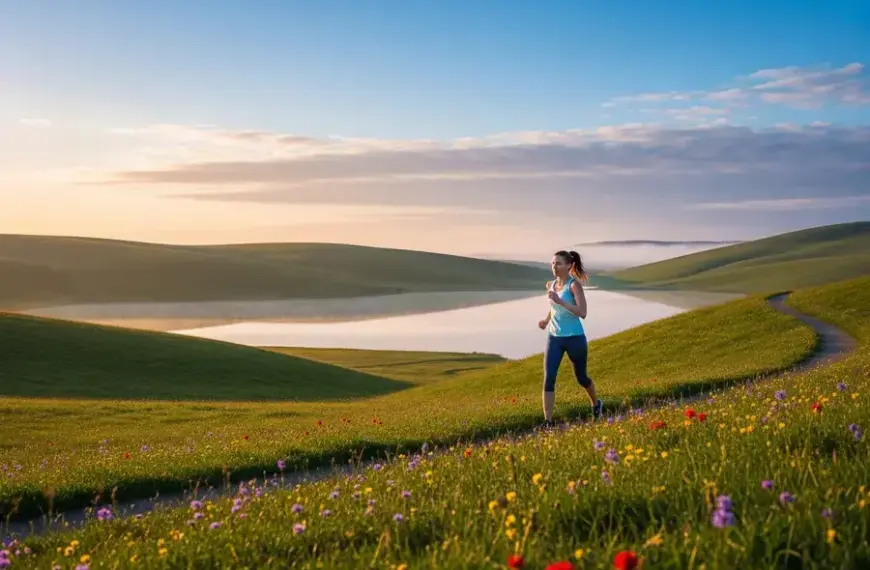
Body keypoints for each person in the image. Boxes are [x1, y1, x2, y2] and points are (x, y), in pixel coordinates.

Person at [537, 250, 602, 427]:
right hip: (555, 338)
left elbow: (582, 312)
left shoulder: (574, 286)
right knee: (549, 378)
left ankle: (596, 404)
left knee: (581, 378)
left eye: (558, 263)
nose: (554, 266)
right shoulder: (550, 285)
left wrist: (561, 301)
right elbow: (554, 309)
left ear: (568, 266)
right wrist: (546, 320)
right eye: (552, 263)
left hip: (575, 339)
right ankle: (548, 422)